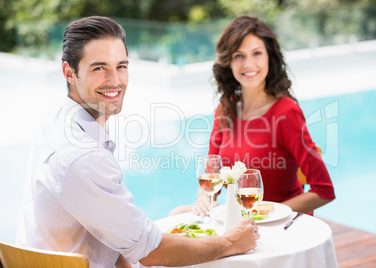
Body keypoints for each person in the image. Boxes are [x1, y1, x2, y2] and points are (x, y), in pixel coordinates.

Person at [16, 16, 259, 268]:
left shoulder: (58, 121)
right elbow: (152, 252)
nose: (115, 80)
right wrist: (231, 243)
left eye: (121, 66)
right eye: (99, 68)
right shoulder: (82, 155)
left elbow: (106, 229)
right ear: (69, 72)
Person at [170, 15, 335, 217]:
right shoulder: (225, 109)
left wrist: (266, 213)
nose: (248, 64)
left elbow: (324, 191)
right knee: (177, 214)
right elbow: (212, 177)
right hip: (241, 220)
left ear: (269, 58)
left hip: (280, 223)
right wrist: (204, 198)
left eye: (256, 53)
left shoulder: (286, 112)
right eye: (239, 55)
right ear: (228, 62)